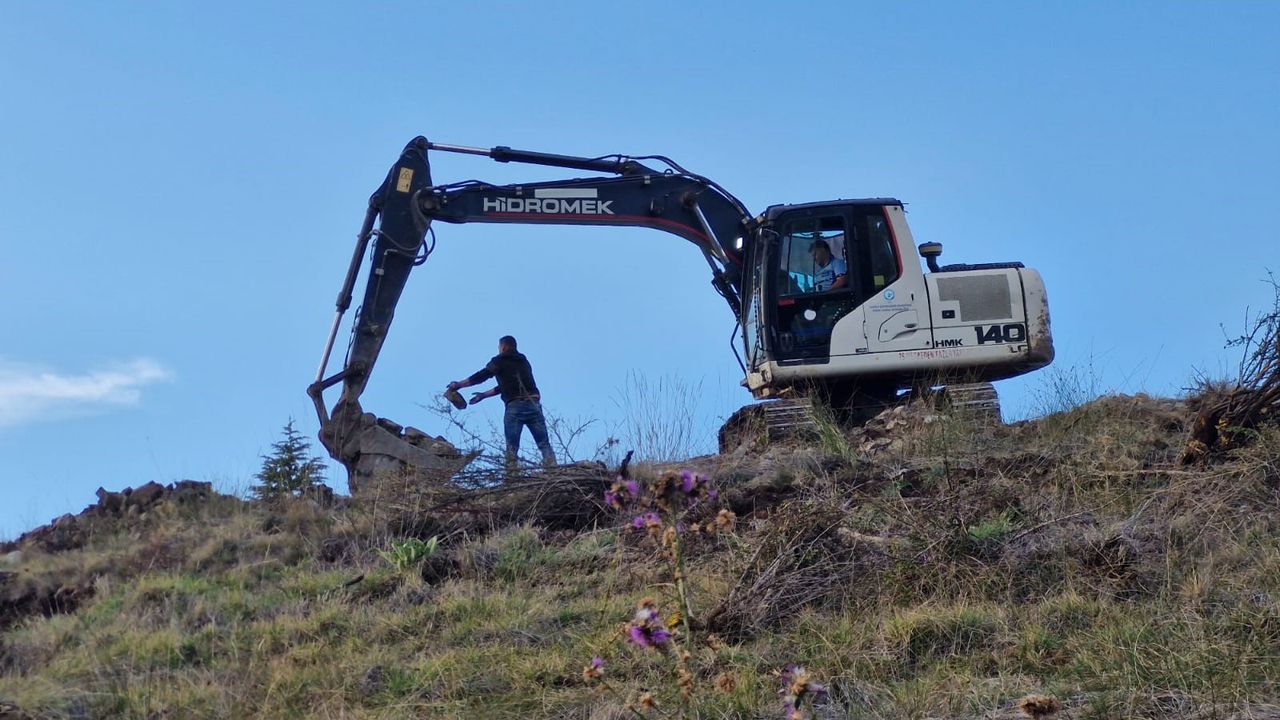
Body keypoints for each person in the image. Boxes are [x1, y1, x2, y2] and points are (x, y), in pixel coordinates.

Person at [446, 335, 556, 469]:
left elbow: (482, 376)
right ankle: (553, 471)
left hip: (515, 407)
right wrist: (483, 395)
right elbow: (506, 385)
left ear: (502, 347)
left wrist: (459, 385)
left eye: (499, 347)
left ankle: (511, 477)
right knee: (544, 444)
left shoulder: (500, 360)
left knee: (511, 447)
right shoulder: (523, 361)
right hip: (534, 405)